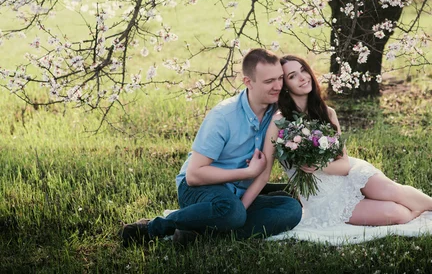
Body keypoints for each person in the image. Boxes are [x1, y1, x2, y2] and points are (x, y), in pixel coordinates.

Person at [264, 55, 432, 229]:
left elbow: (344, 164)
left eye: (303, 70)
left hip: (346, 172)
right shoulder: (280, 122)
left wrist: (317, 165)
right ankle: (420, 208)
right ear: (284, 86)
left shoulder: (327, 113)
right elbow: (264, 167)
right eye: (293, 76)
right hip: (324, 197)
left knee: (392, 191)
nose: (303, 77)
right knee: (398, 213)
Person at [120, 49, 302, 245]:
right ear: (248, 82)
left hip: (238, 193)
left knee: (291, 208)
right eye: (269, 82)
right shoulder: (224, 116)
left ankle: (203, 231)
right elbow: (194, 176)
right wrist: (247, 172)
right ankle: (153, 227)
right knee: (232, 211)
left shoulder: (275, 114)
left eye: (280, 79)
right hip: (199, 189)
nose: (277, 86)